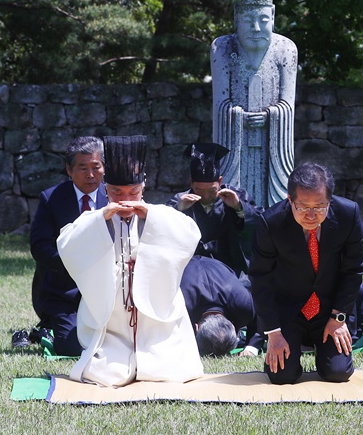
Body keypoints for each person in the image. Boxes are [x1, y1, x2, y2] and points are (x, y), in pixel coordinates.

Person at [56, 135, 204, 387]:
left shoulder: (161, 214)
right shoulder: (96, 218)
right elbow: (67, 243)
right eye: (117, 192)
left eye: (133, 192)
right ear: (105, 189)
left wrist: (152, 216)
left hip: (156, 322)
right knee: (103, 374)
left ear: (143, 187)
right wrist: (101, 217)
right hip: (113, 323)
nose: (125, 199)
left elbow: (190, 234)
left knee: (169, 372)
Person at [249, 162, 363, 384]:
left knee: (338, 373)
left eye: (320, 207)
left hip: (330, 309)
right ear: (289, 200)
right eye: (303, 207)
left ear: (330, 201)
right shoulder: (270, 223)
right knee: (282, 376)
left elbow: (354, 271)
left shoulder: (349, 215)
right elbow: (260, 278)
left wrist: (338, 318)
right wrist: (273, 333)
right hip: (288, 309)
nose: (311, 215)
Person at [211, 0, 297, 208]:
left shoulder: (286, 49)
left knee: (275, 205)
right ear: (237, 16)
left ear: (273, 15)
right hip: (236, 144)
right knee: (233, 199)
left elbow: (288, 105)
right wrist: (238, 116)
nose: (256, 28)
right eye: (249, 21)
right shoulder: (222, 48)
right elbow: (220, 104)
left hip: (272, 148)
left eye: (263, 20)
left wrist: (271, 115)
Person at [24, 136, 108, 355]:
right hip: (65, 293)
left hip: (108, 291)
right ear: (69, 170)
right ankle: (47, 331)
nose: (90, 175)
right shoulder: (52, 199)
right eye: (82, 168)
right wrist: (76, 265)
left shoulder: (114, 197)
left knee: (113, 343)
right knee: (73, 347)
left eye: (96, 167)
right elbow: (40, 247)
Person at [167, 142, 262, 277]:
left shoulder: (236, 196)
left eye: (212, 190)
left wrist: (238, 207)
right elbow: (161, 228)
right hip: (191, 274)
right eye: (199, 190)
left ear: (220, 181)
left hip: (231, 273)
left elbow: (260, 222)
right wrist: (179, 209)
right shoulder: (180, 200)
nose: (205, 196)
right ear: (191, 183)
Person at [180, 255, 256, 356]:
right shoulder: (181, 307)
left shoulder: (244, 304)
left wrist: (251, 347)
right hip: (184, 264)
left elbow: (260, 319)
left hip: (214, 266)